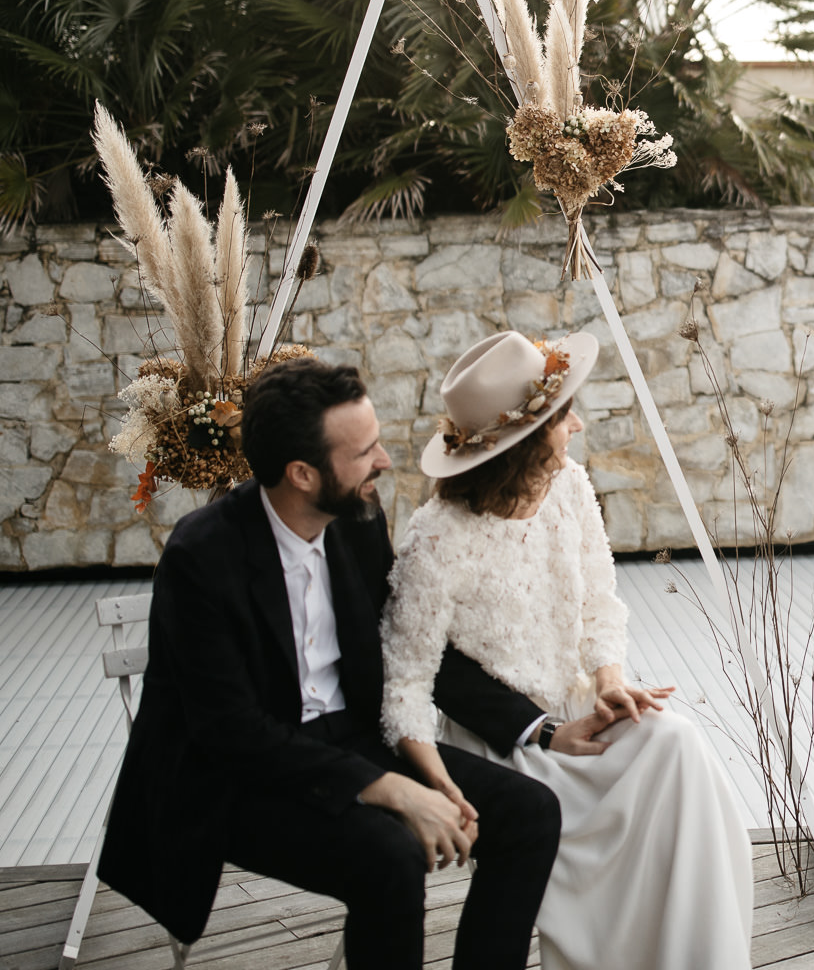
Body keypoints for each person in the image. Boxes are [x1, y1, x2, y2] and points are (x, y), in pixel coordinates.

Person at [100, 356, 563, 970]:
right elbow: (231, 733)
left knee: (531, 812)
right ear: (302, 474)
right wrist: (390, 788)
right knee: (389, 856)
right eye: (364, 451)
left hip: (350, 740)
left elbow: (410, 646)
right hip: (240, 779)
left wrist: (541, 727)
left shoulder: (357, 520)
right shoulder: (200, 557)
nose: (385, 462)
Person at [381, 329, 754, 970]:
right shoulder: (436, 540)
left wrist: (610, 682)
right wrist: (464, 773)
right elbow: (408, 683)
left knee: (675, 744)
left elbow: (598, 604)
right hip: (505, 745)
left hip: (578, 708)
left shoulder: (571, 489)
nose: (577, 426)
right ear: (524, 440)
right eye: (562, 416)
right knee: (587, 800)